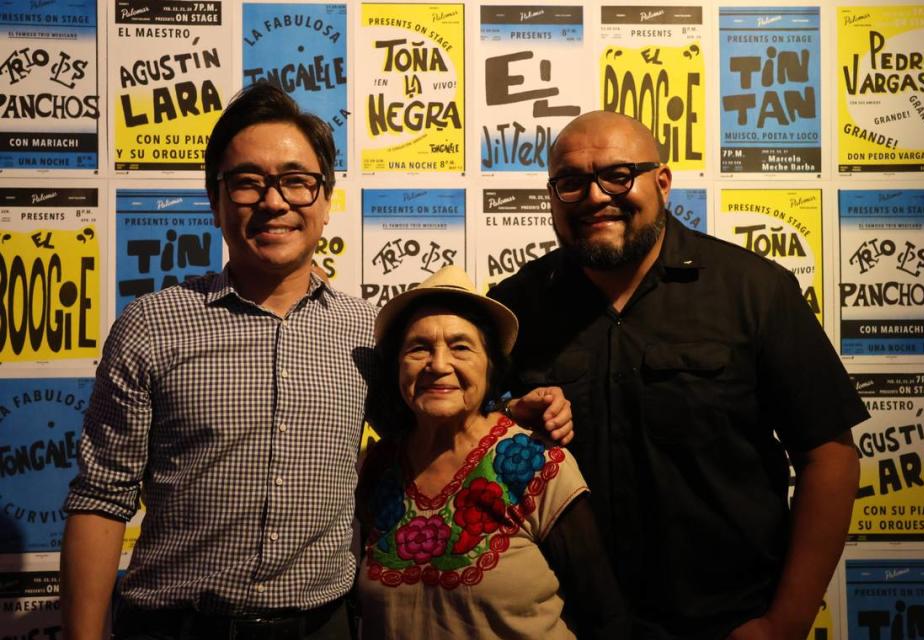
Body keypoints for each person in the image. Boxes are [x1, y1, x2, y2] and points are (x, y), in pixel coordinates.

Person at [59, 84, 571, 640]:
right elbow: (100, 498)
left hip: (322, 625)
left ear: (325, 202)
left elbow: (426, 426)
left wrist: (504, 416)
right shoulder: (153, 324)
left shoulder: (366, 333)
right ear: (215, 200)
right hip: (173, 624)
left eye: (296, 182)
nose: (273, 202)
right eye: (248, 182)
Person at [487, 111, 868, 640]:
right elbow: (458, 436)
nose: (596, 196)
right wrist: (506, 416)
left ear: (661, 182)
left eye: (619, 175)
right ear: (553, 196)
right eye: (571, 182)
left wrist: (786, 621)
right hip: (558, 623)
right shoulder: (513, 306)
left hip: (723, 623)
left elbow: (828, 453)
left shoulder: (754, 290)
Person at [356, 266, 628, 639]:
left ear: (491, 366)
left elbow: (605, 617)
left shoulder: (537, 464)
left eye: (460, 347)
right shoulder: (378, 469)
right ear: (396, 367)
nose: (438, 365)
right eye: (418, 348)